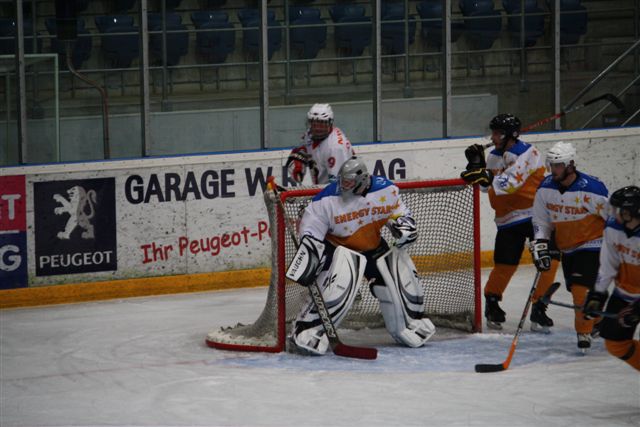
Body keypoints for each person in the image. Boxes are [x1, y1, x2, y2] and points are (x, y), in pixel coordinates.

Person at [285, 156, 435, 355]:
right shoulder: (326, 200)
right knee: (339, 284)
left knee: (396, 276)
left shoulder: (385, 190)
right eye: (342, 181)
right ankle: (306, 329)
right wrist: (312, 252)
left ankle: (410, 322)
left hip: (372, 247)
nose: (342, 186)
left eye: (348, 182)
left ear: (362, 179)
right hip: (337, 248)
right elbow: (311, 228)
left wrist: (404, 225)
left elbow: (399, 212)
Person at [460, 113, 559, 331]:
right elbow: (485, 187)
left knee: (549, 260)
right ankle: (492, 303)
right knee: (505, 264)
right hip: (506, 219)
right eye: (493, 133)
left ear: (510, 135)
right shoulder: (494, 156)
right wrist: (476, 164)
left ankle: (540, 306)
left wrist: (486, 175)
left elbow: (512, 182)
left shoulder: (529, 153)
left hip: (535, 215)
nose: (493, 137)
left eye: (498, 133)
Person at [531, 141, 609, 351]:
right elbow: (541, 220)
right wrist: (540, 243)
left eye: (557, 165)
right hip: (567, 246)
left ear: (570, 165)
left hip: (593, 244)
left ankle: (583, 332)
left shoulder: (592, 189)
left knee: (579, 290)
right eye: (551, 165)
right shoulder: (545, 188)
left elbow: (612, 219)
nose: (553, 170)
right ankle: (598, 320)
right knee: (579, 288)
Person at [582, 186, 640, 370]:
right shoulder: (613, 228)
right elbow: (608, 265)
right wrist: (597, 294)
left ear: (630, 212)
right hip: (625, 293)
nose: (613, 213)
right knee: (616, 345)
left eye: (618, 210)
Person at [285, 103, 355, 185]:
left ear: (330, 123)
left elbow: (338, 185)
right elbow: (303, 147)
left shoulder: (335, 148)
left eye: (322, 123)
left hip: (344, 189)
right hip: (324, 187)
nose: (317, 128)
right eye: (314, 123)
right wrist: (299, 156)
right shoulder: (310, 134)